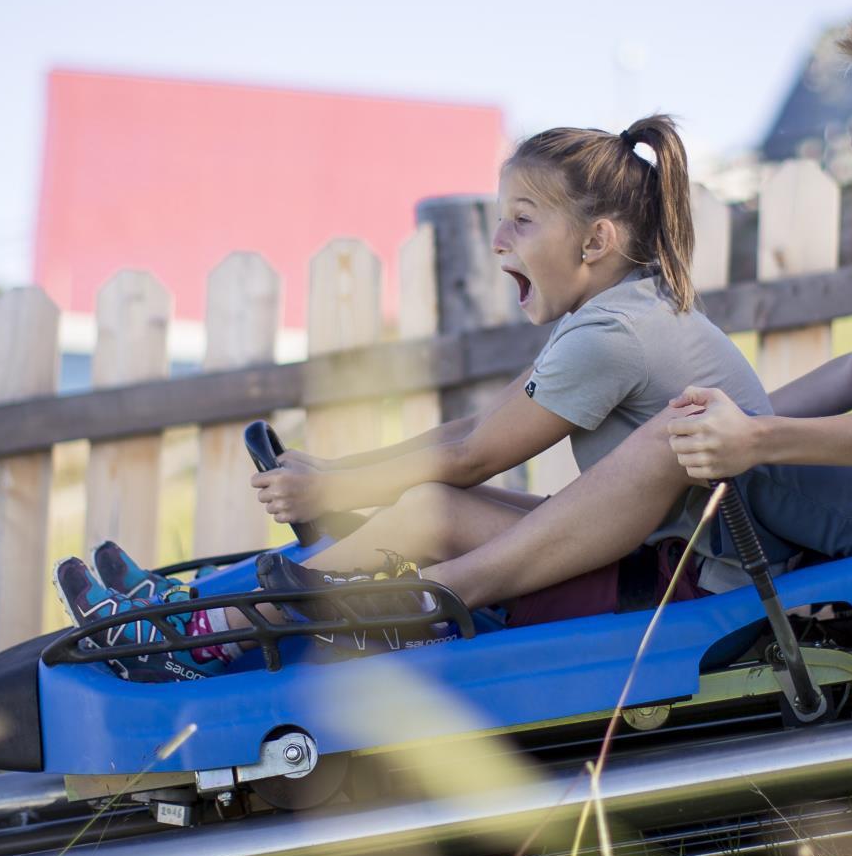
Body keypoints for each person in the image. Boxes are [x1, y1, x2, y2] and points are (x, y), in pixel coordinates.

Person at [305, 0, 852, 615]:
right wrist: (749, 424)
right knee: (692, 431)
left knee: (685, 432)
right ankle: (435, 563)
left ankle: (453, 589)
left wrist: (756, 439)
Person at [52, 113, 769, 678]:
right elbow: (478, 427)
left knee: (423, 511)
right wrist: (336, 477)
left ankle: (198, 634)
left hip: (704, 588)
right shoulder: (619, 312)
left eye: (521, 219)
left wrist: (333, 482)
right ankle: (192, 610)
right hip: (673, 555)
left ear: (595, 241)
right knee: (423, 510)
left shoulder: (614, 332)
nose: (496, 239)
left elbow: (473, 454)